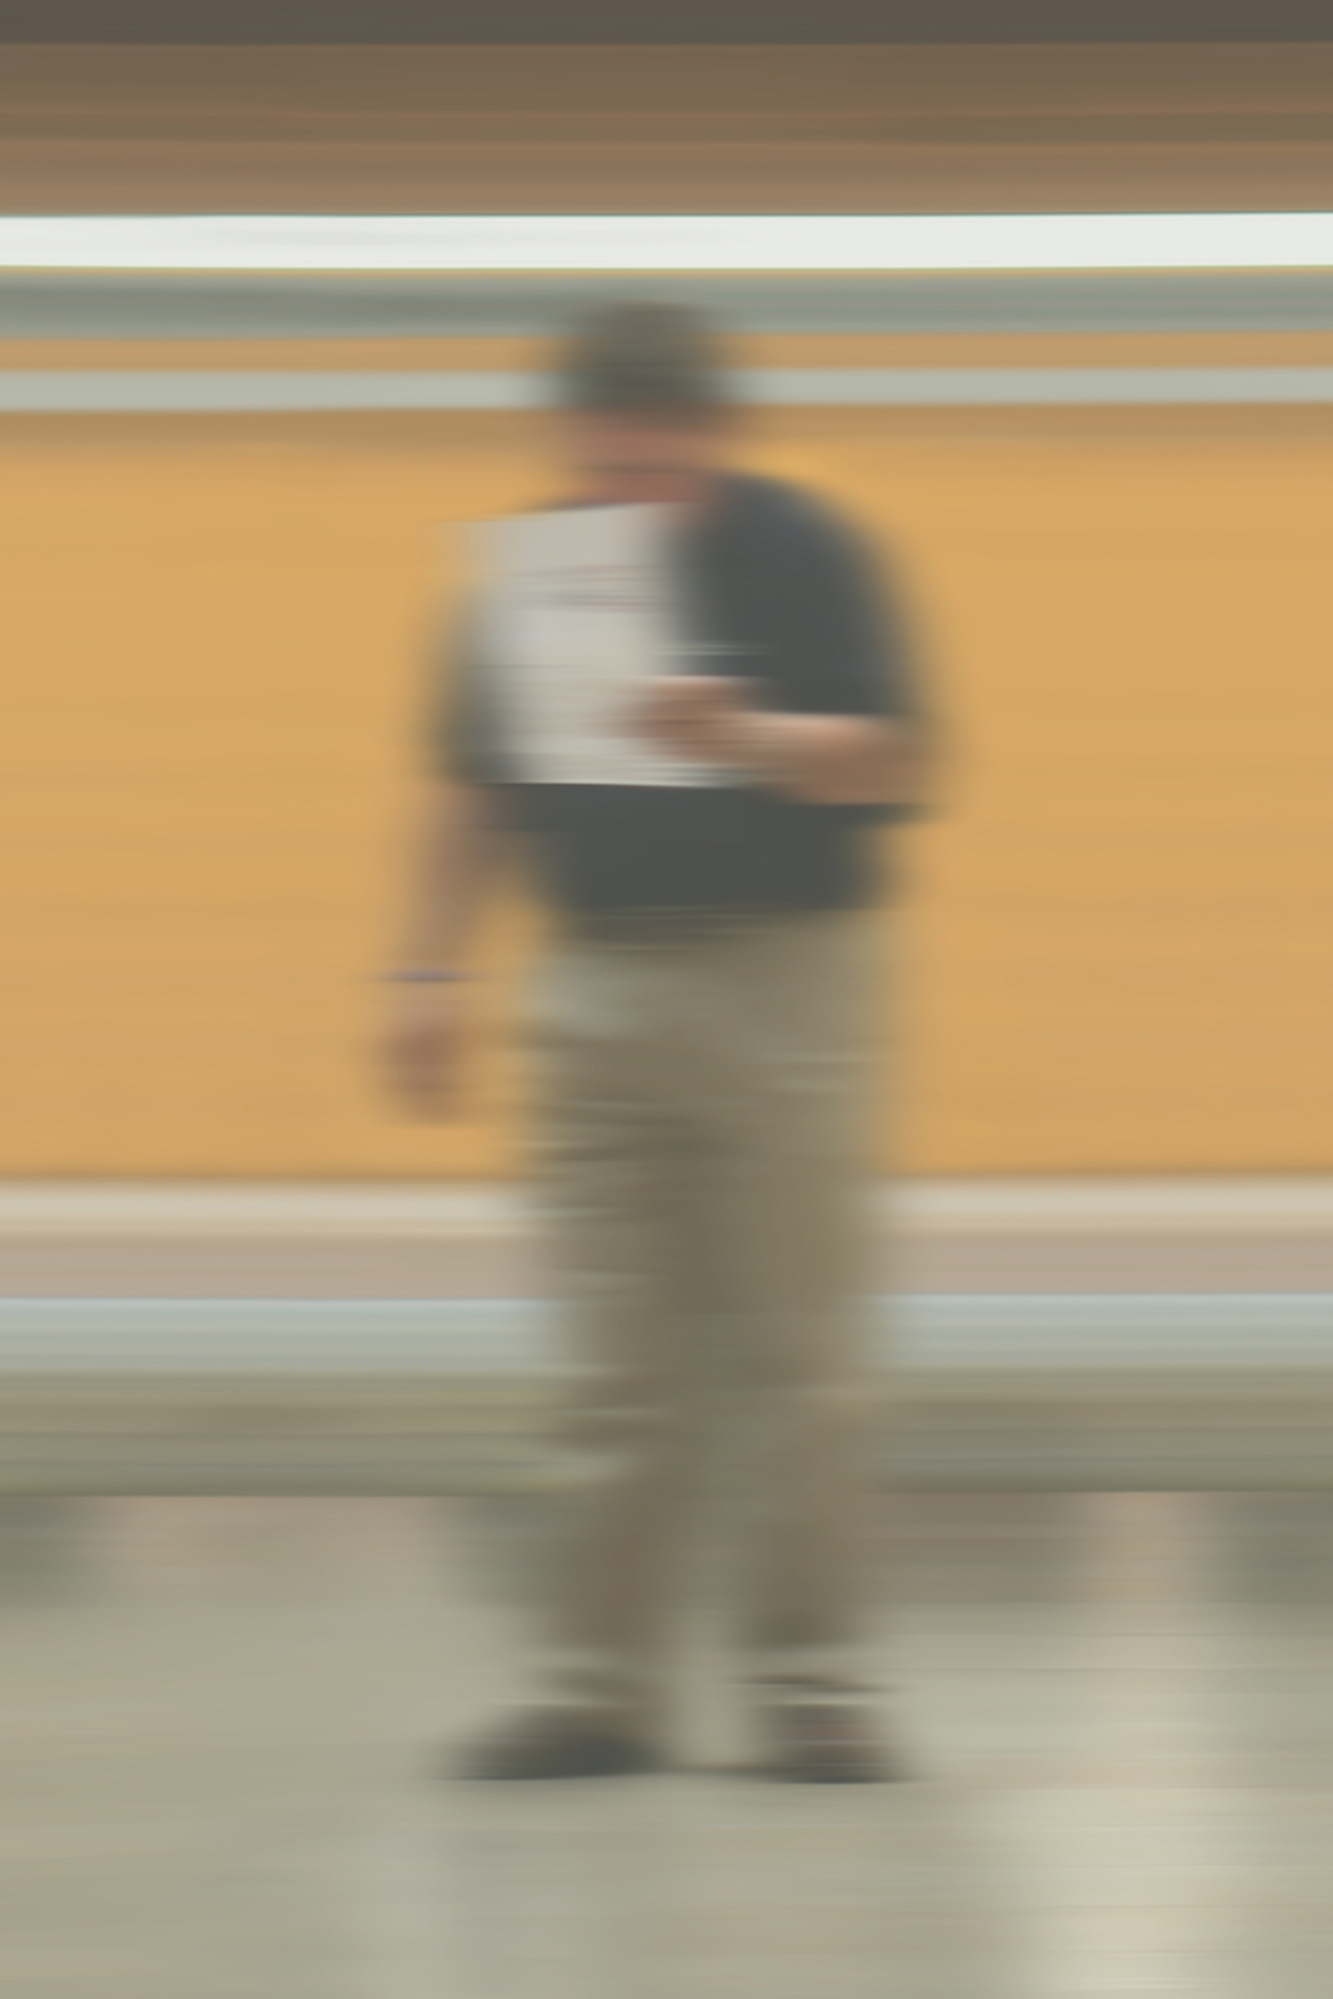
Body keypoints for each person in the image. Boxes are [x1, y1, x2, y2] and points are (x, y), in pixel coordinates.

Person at [380, 301, 939, 1782]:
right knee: (615, 1366)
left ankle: (811, 1689)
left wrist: (746, 735)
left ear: (716, 436)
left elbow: (896, 763)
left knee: (794, 1353)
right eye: (600, 462)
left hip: (784, 976)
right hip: (592, 982)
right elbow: (468, 785)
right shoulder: (530, 571)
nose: (625, 490)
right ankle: (597, 1690)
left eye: (654, 464)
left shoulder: (810, 552)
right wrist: (425, 967)